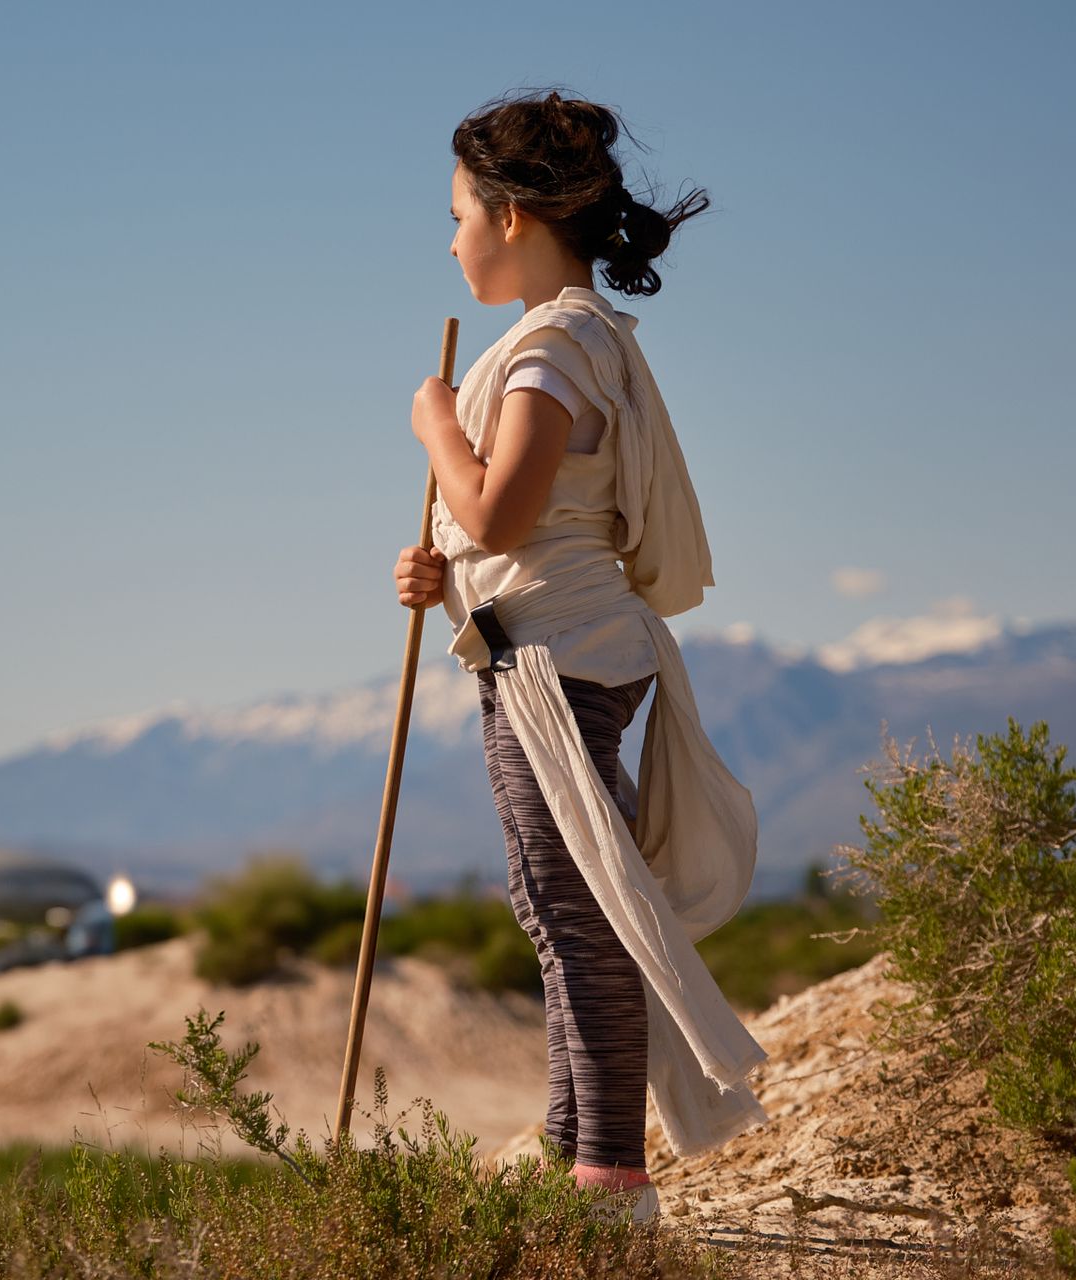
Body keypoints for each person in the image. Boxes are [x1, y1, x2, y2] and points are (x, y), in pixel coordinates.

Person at [392, 90, 770, 1223]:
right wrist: (438, 574)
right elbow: (509, 533)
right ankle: (572, 1143)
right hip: (548, 648)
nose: (448, 236)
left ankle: (611, 1180)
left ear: (511, 216)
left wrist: (435, 431)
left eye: (457, 212)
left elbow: (504, 515)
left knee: (579, 909)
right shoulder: (569, 340)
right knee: (556, 898)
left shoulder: (552, 347)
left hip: (556, 663)